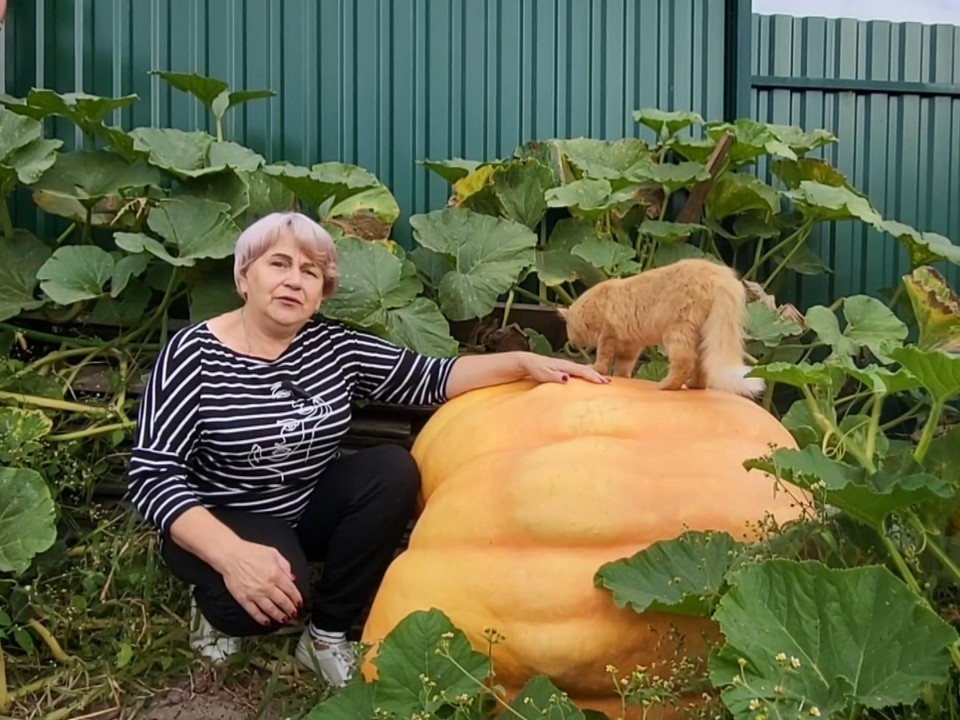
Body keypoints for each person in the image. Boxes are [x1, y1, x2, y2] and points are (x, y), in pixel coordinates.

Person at [126, 211, 609, 688]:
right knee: (263, 608)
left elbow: (432, 378)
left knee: (392, 469)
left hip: (303, 510)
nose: (294, 281)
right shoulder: (193, 354)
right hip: (220, 519)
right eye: (278, 264)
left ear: (321, 295)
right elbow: (152, 474)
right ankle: (214, 605)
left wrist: (524, 362)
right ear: (244, 276)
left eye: (310, 272)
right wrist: (232, 557)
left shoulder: (334, 347)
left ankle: (325, 635)